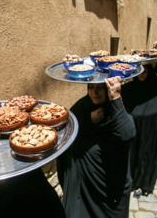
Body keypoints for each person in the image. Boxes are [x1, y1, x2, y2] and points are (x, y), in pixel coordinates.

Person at [57, 77, 136, 218]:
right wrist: (88, 120)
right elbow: (67, 129)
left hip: (105, 187)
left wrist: (115, 98)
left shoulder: (116, 108)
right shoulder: (83, 106)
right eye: (91, 87)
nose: (94, 92)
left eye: (100, 87)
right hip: (83, 184)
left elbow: (127, 133)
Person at [121, 65, 157, 197]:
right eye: (138, 72)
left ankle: (143, 183)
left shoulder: (156, 90)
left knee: (145, 155)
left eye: (145, 72)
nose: (141, 75)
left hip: (150, 131)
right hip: (134, 130)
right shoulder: (129, 89)